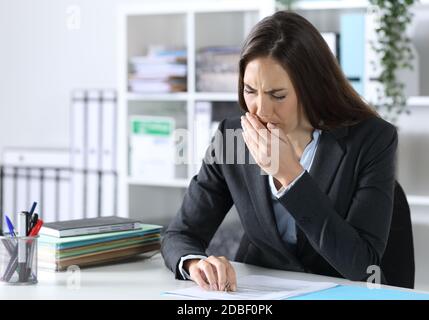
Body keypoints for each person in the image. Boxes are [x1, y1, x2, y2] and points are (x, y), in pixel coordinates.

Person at [161, 11, 398, 292]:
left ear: (313, 89)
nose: (259, 110)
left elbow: (363, 267)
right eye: (250, 90)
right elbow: (180, 233)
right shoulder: (232, 137)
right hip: (258, 294)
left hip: (340, 292)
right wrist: (195, 264)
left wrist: (292, 177)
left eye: (278, 95)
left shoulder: (372, 139)